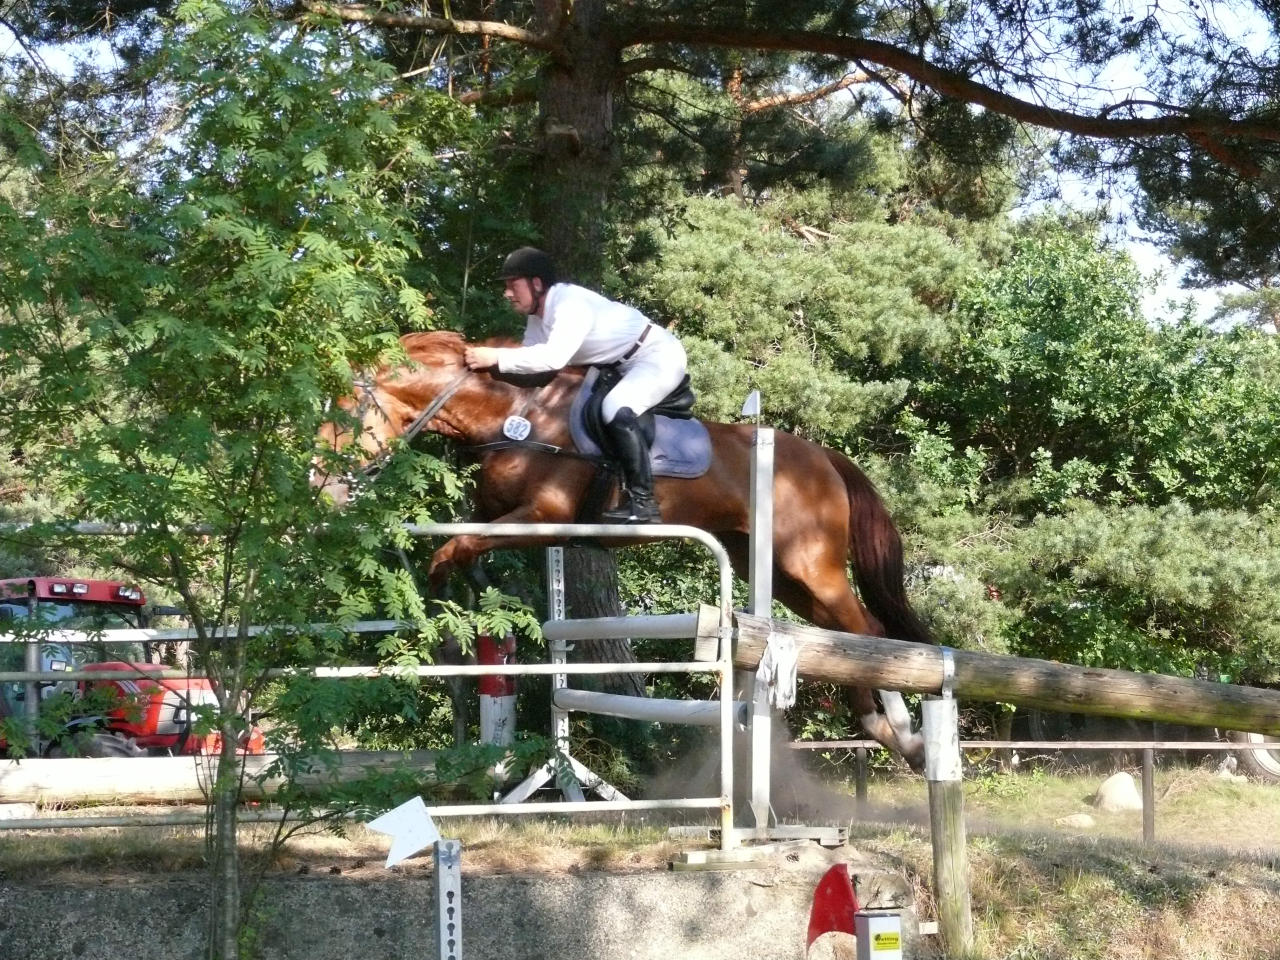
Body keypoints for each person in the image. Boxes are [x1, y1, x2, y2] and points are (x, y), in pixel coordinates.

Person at [463, 246, 688, 524]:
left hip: (656, 356)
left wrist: (495, 357)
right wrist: (489, 370)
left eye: (513, 284)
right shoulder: (538, 317)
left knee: (616, 408)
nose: (507, 293)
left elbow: (552, 359)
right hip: (618, 365)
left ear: (536, 283)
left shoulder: (570, 304)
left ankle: (643, 503)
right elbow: (532, 366)